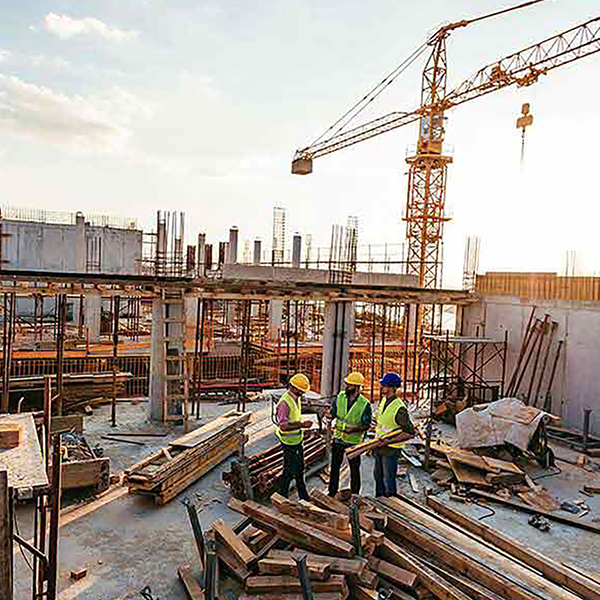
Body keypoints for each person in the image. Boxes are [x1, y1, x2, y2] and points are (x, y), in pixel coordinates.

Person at [328, 371, 371, 497]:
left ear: (357, 387)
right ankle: (332, 492)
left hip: (353, 442)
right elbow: (334, 412)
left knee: (354, 470)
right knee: (335, 468)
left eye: (349, 385)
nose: (346, 387)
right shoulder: (340, 397)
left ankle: (355, 495)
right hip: (338, 438)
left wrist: (352, 430)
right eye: (347, 384)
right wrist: (330, 415)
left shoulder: (365, 404)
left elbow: (366, 424)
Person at [373, 372, 415, 498]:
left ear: (391, 388)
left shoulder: (399, 408)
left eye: (383, 385)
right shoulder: (384, 401)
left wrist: (388, 441)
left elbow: (409, 432)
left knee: (388, 479)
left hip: (391, 449)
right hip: (379, 446)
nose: (381, 387)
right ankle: (379, 501)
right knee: (378, 476)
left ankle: (391, 504)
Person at [275, 373, 313, 500]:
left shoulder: (295, 398)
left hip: (296, 440)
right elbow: (283, 426)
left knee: (299, 469)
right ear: (294, 388)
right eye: (301, 390)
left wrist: (301, 428)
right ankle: (282, 496)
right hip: (288, 442)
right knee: (289, 471)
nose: (303, 393)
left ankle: (303, 496)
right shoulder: (285, 403)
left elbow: (294, 418)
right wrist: (302, 425)